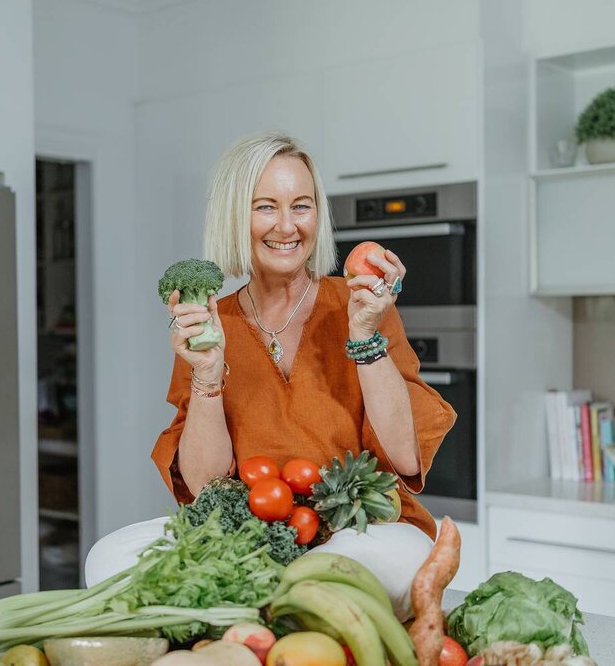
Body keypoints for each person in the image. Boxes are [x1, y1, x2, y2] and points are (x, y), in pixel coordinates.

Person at [152, 131, 456, 555]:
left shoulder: (360, 305)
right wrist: (206, 373)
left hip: (365, 533)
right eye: (265, 207)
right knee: (111, 554)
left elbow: (404, 459)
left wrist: (365, 334)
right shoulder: (208, 325)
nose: (287, 226)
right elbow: (206, 488)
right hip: (258, 539)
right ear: (234, 217)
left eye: (301, 206)